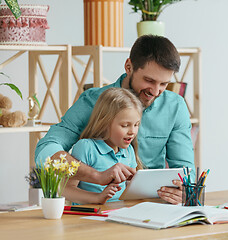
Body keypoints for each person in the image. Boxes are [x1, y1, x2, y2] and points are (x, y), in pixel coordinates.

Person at [35, 35, 195, 204]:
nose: (155, 92)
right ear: (128, 67)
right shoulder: (92, 101)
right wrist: (96, 176)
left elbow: (185, 171)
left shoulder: (175, 106)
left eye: (164, 84)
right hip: (99, 211)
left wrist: (184, 190)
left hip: (152, 207)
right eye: (149, 80)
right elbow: (45, 152)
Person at [63, 88, 143, 204]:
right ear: (105, 123)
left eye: (136, 125)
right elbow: (66, 190)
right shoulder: (86, 147)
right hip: (90, 215)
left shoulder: (128, 150)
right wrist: (97, 197)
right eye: (125, 125)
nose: (132, 131)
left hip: (120, 213)